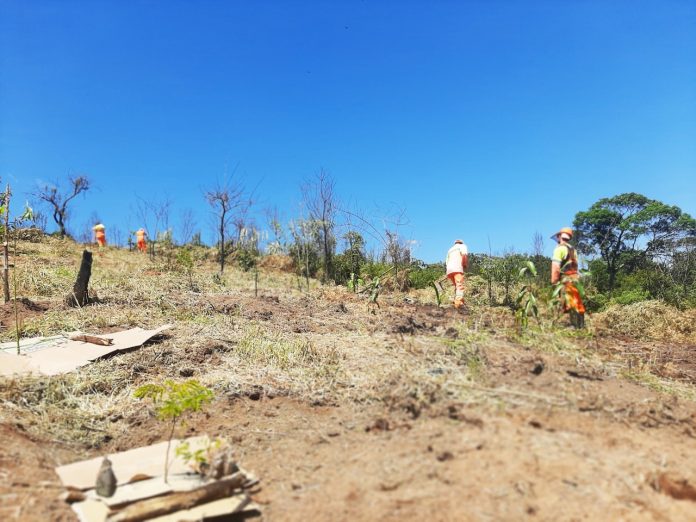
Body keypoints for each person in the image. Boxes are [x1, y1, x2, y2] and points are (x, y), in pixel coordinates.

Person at [551, 227, 585, 328]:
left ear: (559, 236)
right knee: (577, 300)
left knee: (569, 302)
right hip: (576, 279)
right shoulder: (573, 250)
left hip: (566, 280)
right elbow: (576, 266)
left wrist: (554, 281)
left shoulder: (559, 249)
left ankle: (573, 326)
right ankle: (580, 326)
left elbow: (556, 267)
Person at [446, 239, 468, 309]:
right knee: (459, 285)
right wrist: (464, 265)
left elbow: (446, 261)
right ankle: (458, 304)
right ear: (461, 243)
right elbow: (464, 255)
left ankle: (460, 301)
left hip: (449, 270)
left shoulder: (450, 249)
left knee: (456, 286)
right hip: (457, 268)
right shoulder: (462, 246)